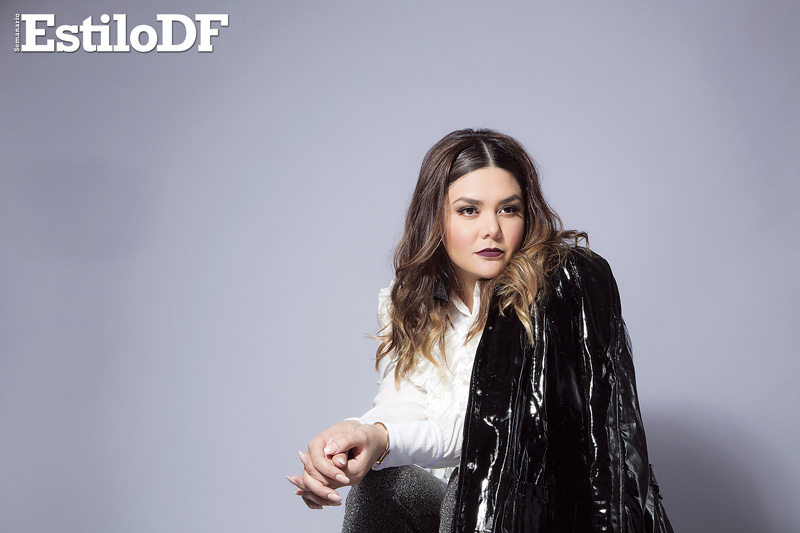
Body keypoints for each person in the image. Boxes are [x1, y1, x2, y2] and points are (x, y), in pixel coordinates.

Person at [287, 129, 673, 532]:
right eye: (469, 210)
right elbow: (404, 404)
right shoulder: (408, 299)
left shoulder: (551, 292)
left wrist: (385, 441)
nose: (492, 229)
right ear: (435, 216)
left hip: (538, 513)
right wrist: (356, 438)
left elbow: (495, 438)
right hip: (457, 513)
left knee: (473, 489)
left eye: (509, 209)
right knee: (381, 485)